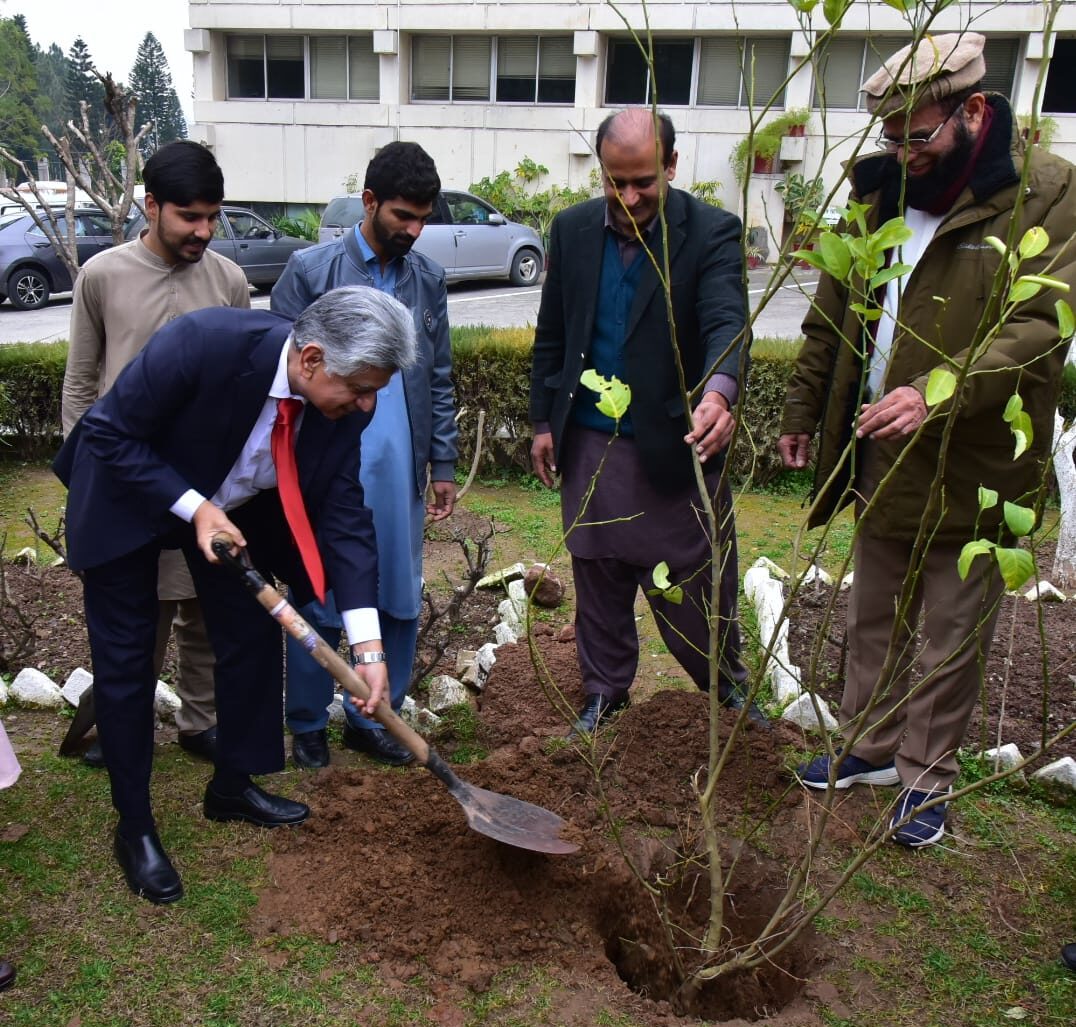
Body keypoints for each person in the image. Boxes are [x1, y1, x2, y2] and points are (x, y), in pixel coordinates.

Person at [779, 33, 1076, 847]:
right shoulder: (877, 191)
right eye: (891, 136)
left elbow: (1038, 325)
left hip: (974, 460)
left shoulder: (1043, 195)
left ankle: (924, 779)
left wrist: (934, 392)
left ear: (975, 111)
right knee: (873, 609)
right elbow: (831, 310)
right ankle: (870, 746)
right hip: (882, 448)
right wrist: (805, 408)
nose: (903, 153)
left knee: (951, 626)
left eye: (919, 134)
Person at [53, 286, 417, 904]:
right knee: (128, 663)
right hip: (127, 497)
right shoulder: (203, 344)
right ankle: (135, 825)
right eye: (359, 387)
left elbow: (345, 514)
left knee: (248, 637)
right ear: (310, 360)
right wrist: (195, 508)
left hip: (233, 512)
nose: (367, 404)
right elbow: (108, 436)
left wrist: (368, 647)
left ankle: (231, 786)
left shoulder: (338, 410)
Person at [529, 108, 761, 737]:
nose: (629, 198)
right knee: (597, 569)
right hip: (592, 442)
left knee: (696, 577)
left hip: (674, 444)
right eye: (615, 183)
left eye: (644, 183)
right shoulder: (572, 230)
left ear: (672, 168)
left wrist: (719, 390)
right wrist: (542, 421)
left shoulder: (711, 231)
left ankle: (725, 684)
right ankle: (605, 691)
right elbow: (554, 333)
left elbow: (724, 319)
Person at [61, 140, 251, 768]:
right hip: (122, 479)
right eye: (188, 216)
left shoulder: (227, 280)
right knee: (136, 617)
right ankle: (125, 725)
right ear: (151, 206)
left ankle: (199, 724)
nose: (203, 230)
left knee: (202, 608)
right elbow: (82, 384)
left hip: (204, 484)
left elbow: (242, 388)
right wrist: (83, 476)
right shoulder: (103, 275)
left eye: (212, 217)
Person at [271, 141, 458, 768]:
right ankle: (306, 722)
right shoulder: (311, 269)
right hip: (324, 460)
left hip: (399, 458)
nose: (414, 229)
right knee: (319, 584)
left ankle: (373, 714)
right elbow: (285, 370)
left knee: (396, 589)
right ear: (370, 202)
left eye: (424, 218)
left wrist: (443, 463)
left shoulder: (426, 278)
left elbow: (438, 376)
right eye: (403, 215)